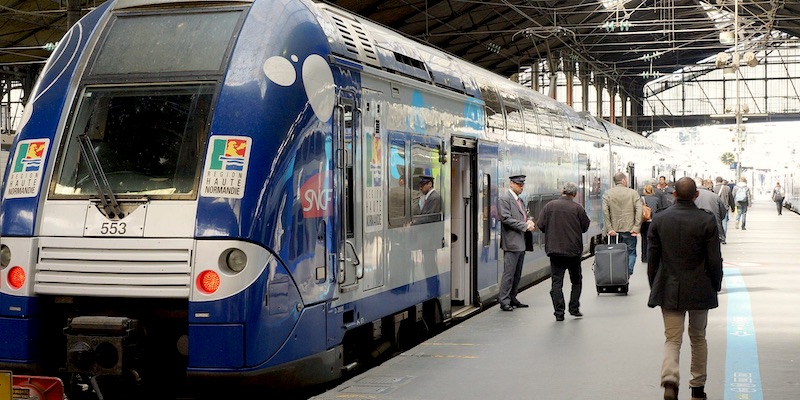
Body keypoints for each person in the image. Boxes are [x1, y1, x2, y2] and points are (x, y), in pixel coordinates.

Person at [647, 177, 723, 400]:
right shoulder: (706, 221)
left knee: (672, 339)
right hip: (700, 289)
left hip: (669, 289)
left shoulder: (660, 219)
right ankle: (697, 388)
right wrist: (715, 283)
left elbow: (653, 260)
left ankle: (670, 380)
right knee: (698, 337)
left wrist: (655, 286)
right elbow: (714, 259)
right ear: (696, 195)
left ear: (674, 194)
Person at [537, 182, 590, 321]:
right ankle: (574, 308)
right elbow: (585, 227)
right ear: (574, 194)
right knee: (576, 280)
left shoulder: (549, 206)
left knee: (556, 282)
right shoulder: (578, 208)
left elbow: (540, 225)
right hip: (573, 251)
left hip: (555, 251)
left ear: (562, 191)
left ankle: (559, 313)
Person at [498, 174, 536, 311]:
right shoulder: (505, 199)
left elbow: (525, 214)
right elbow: (505, 218)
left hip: (521, 242)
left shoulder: (520, 200)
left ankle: (513, 297)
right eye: (519, 184)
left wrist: (530, 220)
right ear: (511, 184)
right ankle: (504, 300)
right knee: (509, 273)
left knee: (517, 273)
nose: (521, 187)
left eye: (522, 185)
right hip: (512, 242)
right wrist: (525, 226)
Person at [602, 172, 642, 276]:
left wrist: (609, 228)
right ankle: (628, 271)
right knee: (631, 252)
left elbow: (605, 211)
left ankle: (617, 274)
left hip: (614, 231)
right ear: (623, 180)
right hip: (630, 230)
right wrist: (636, 227)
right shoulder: (633, 193)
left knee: (615, 254)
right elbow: (639, 210)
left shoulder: (607, 193)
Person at [694, 178, 727, 245]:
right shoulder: (714, 196)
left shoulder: (689, 196)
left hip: (694, 229)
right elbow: (722, 213)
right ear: (703, 184)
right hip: (713, 228)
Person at [640, 184, 662, 262]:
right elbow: (660, 210)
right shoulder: (657, 199)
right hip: (654, 222)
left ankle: (644, 257)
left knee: (644, 239)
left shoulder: (641, 199)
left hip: (644, 222)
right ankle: (651, 257)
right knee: (653, 240)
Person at [712, 176, 734, 241]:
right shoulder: (727, 188)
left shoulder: (714, 188)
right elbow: (731, 198)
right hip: (725, 207)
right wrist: (733, 207)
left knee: (717, 222)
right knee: (724, 222)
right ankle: (723, 237)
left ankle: (719, 235)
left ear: (716, 181)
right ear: (722, 181)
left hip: (716, 207)